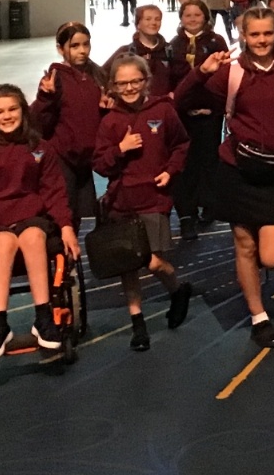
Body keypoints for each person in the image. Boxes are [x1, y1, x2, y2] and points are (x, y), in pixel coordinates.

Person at [0, 84, 78, 360]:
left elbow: (54, 192)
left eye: (12, 109)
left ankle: (43, 317)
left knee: (33, 236)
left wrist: (67, 227)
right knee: (5, 242)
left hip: (31, 219)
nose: (7, 116)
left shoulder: (39, 148)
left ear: (23, 111)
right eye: (0, 112)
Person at [202, 5, 274, 349]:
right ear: (243, 36)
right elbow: (186, 98)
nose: (261, 40)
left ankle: (254, 283)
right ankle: (259, 316)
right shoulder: (231, 71)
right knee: (245, 245)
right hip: (237, 170)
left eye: (268, 33)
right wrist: (201, 73)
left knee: (272, 257)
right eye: (255, 34)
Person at [93, 52, 193, 351]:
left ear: (146, 80)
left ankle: (177, 289)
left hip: (154, 198)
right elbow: (100, 164)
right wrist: (120, 149)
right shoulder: (110, 122)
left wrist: (171, 171)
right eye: (122, 84)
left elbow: (181, 144)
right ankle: (137, 322)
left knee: (153, 261)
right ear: (113, 86)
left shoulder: (162, 111)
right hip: (121, 202)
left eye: (135, 81)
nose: (129, 88)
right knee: (128, 265)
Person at [32, 21, 109, 228]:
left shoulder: (97, 75)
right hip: (62, 157)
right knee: (63, 212)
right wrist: (45, 98)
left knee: (83, 213)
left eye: (86, 44)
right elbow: (39, 123)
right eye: (75, 46)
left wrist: (106, 108)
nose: (82, 51)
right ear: (60, 49)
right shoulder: (55, 78)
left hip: (86, 157)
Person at [168, 0, 229, 241]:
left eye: (197, 15)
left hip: (210, 112)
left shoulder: (216, 41)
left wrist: (218, 106)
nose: (192, 19)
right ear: (181, 18)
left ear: (205, 17)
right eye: (188, 15)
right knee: (186, 163)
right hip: (183, 115)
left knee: (209, 160)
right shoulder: (173, 45)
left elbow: (224, 76)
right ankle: (187, 213)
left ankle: (210, 205)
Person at [111, 3, 173, 96]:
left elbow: (178, 77)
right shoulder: (126, 51)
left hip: (163, 102)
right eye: (148, 19)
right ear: (138, 24)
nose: (153, 23)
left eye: (157, 19)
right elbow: (104, 75)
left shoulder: (169, 50)